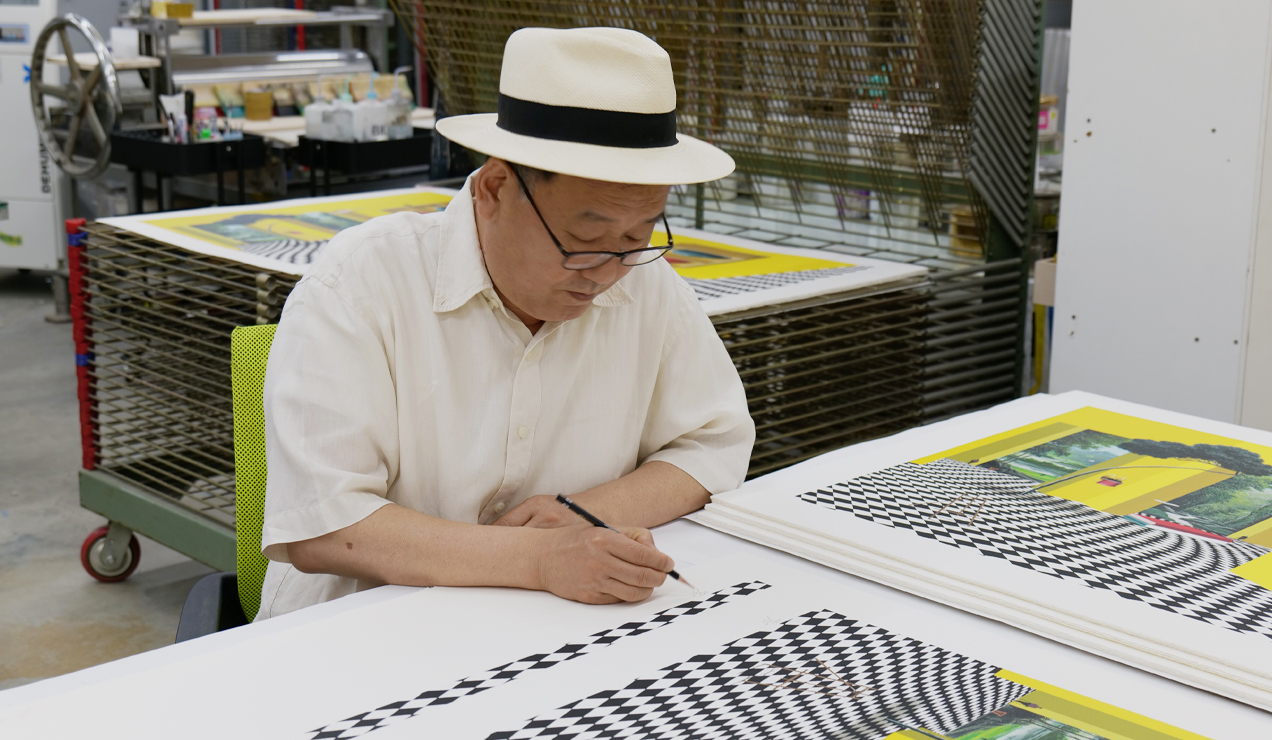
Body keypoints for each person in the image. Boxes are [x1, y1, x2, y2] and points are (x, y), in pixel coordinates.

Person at [255, 26, 754, 619]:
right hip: (356, 625)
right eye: (583, 241)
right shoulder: (360, 284)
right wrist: (539, 558)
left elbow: (714, 446)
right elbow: (322, 525)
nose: (607, 273)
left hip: (544, 626)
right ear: (495, 188)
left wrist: (585, 512)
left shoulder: (647, 286)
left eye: (636, 237)